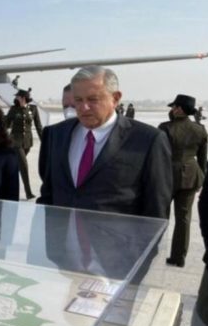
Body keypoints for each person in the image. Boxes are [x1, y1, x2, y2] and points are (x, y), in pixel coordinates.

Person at [37, 65, 172, 219]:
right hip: (60, 239)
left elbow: (156, 209)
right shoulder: (55, 134)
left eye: (93, 99)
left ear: (115, 98)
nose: (83, 107)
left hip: (117, 242)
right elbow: (47, 195)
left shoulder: (147, 140)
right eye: (78, 100)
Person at [157, 94, 208, 267]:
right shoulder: (200, 129)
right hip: (191, 176)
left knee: (160, 216)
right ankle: (179, 257)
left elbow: (159, 155)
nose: (172, 110)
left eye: (174, 107)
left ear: (179, 109)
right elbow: (202, 159)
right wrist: (201, 179)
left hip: (168, 175)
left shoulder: (165, 128)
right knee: (184, 219)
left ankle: (154, 251)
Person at [5, 89, 42, 199]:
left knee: (16, 166)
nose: (16, 98)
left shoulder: (33, 109)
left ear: (23, 98)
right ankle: (28, 192)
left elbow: (38, 126)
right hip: (15, 141)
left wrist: (44, 141)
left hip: (27, 142)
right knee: (24, 166)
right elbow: (6, 124)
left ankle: (5, 185)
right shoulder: (13, 109)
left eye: (18, 96)